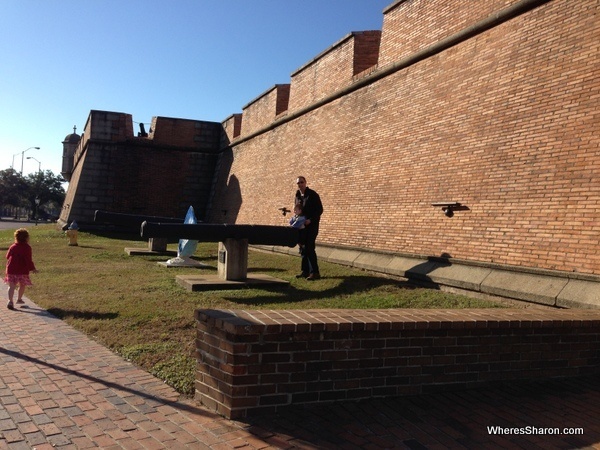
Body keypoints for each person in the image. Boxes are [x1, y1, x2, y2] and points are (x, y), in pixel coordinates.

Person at [294, 176, 323, 280]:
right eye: (298, 183)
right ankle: (305, 271)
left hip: (311, 226)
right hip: (302, 226)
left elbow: (319, 210)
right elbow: (297, 210)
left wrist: (310, 220)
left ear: (305, 182)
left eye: (301, 182)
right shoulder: (297, 195)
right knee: (303, 248)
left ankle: (315, 272)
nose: (300, 184)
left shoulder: (313, 195)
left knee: (310, 248)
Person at [5, 228, 38, 310]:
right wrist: (33, 268)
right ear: (26, 238)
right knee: (22, 285)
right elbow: (28, 259)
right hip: (22, 270)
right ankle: (19, 299)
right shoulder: (27, 248)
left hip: (11, 269)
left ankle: (10, 301)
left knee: (11, 286)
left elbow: (7, 256)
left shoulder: (13, 246)